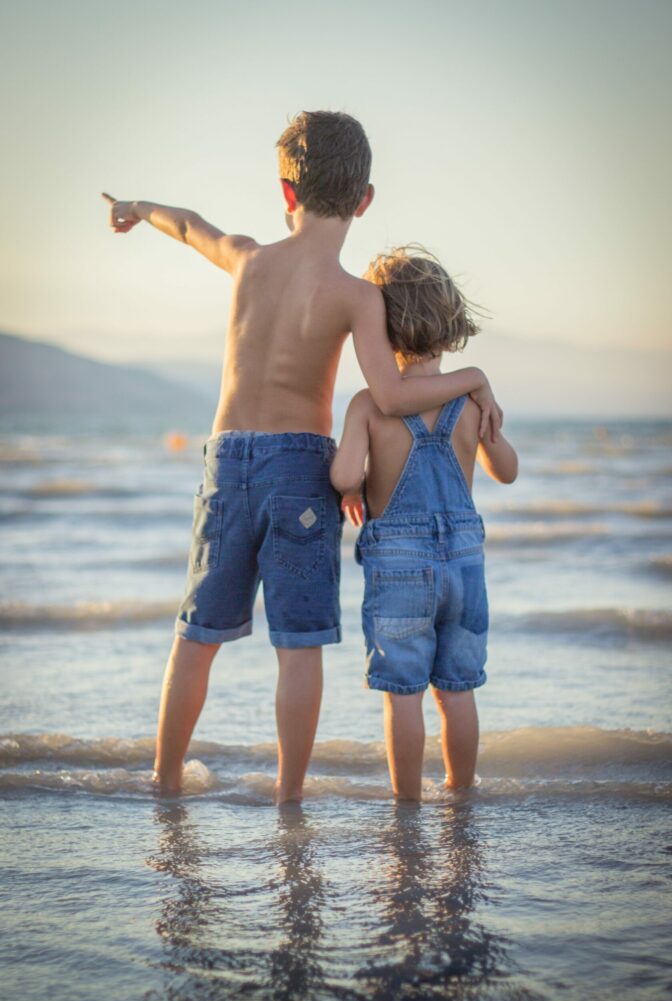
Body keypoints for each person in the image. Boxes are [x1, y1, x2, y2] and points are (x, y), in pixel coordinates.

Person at [102, 111, 501, 803]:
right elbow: (388, 392)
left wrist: (137, 209)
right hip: (299, 468)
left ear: (285, 192)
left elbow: (190, 224)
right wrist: (470, 379)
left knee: (196, 633)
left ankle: (164, 780)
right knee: (299, 642)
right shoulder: (355, 296)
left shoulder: (247, 258)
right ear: (364, 200)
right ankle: (288, 795)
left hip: (227, 460)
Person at [331, 246, 518, 802]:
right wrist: (490, 423)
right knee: (457, 691)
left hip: (399, 569)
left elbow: (343, 473)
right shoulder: (468, 399)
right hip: (465, 564)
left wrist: (352, 485)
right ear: (451, 322)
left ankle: (407, 806)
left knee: (403, 693)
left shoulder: (369, 403)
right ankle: (460, 793)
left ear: (379, 328)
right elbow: (506, 471)